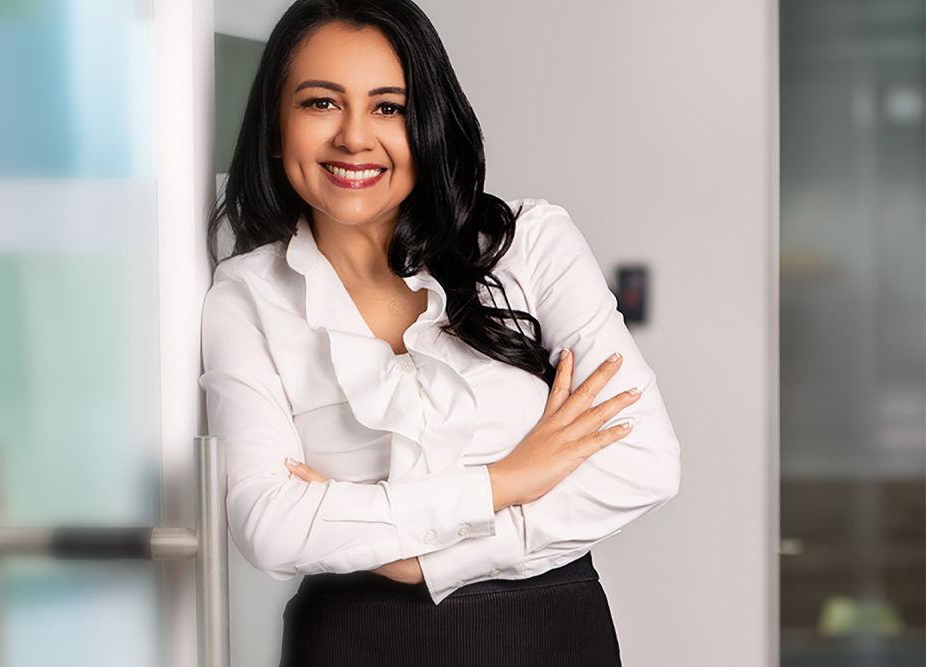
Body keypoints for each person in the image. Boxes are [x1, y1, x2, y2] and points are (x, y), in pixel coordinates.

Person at [198, 0, 681, 664]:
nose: (355, 138)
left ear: (427, 123)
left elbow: (644, 463)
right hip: (356, 643)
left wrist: (424, 560)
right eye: (320, 103)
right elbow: (270, 526)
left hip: (551, 635)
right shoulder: (245, 296)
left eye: (388, 107)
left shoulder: (530, 245)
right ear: (276, 129)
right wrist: (505, 481)